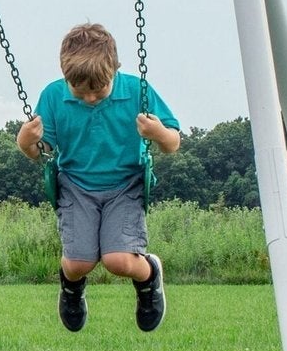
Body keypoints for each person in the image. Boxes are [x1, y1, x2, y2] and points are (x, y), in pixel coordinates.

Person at [16, 21, 180, 334]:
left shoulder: (135, 91)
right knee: (78, 264)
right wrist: (25, 141)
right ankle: (71, 290)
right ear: (66, 77)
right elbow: (40, 151)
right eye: (81, 91)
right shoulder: (53, 95)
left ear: (114, 70)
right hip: (76, 187)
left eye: (98, 89)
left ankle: (148, 280)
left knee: (119, 261)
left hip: (124, 186)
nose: (90, 98)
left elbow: (172, 143)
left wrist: (157, 132)